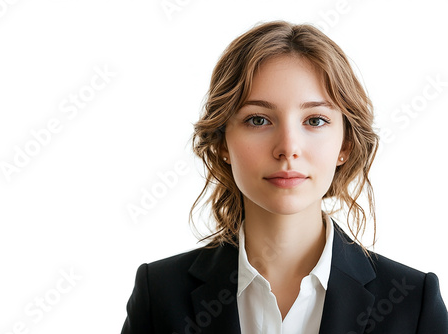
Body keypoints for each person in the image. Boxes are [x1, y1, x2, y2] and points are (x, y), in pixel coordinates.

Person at [121, 20, 448, 334]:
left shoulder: (413, 302)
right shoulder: (160, 294)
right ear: (222, 141)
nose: (288, 148)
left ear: (345, 145)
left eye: (316, 120)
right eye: (259, 120)